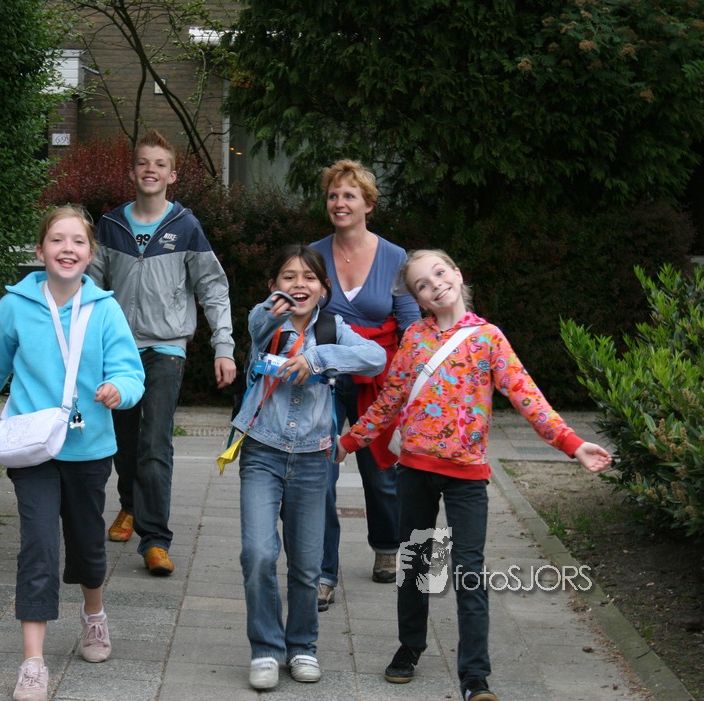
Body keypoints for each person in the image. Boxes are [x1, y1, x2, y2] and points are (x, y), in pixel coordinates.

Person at [336, 249, 612, 701]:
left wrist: (571, 443)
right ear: (418, 300)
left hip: (467, 475)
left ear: (458, 274)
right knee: (418, 562)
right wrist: (349, 442)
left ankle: (475, 675)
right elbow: (388, 401)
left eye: (439, 273)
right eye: (422, 284)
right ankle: (410, 645)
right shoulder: (414, 338)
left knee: (468, 570)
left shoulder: (488, 338)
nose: (435, 285)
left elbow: (527, 396)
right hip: (416, 471)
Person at [0, 206, 146, 701]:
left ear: (90, 254)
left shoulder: (104, 310)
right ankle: (32, 661)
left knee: (87, 544)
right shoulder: (16, 307)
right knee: (37, 546)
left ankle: (93, 614)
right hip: (32, 447)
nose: (67, 249)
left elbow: (131, 371)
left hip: (89, 448)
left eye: (77, 241)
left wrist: (119, 389)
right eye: (57, 240)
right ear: (40, 251)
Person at [233, 244, 386, 691]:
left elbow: (375, 358)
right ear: (272, 285)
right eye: (288, 276)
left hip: (315, 457)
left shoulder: (334, 329)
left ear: (324, 288)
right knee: (258, 553)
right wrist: (274, 310)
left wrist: (320, 357)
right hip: (262, 451)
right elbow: (258, 324)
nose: (298, 285)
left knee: (306, 565)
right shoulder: (265, 320)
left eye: (309, 278)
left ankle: (302, 646)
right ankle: (265, 649)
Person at [88, 129, 237, 576]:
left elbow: (213, 288)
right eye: (143, 163)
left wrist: (223, 346)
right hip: (117, 350)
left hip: (166, 348)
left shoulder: (186, 227)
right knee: (125, 441)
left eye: (159, 164)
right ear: (132, 171)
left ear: (172, 175)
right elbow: (91, 287)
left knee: (154, 441)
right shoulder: (110, 225)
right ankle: (131, 505)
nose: (150, 170)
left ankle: (154, 539)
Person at [310, 159, 420, 607]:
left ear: (368, 204)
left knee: (382, 472)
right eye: (333, 195)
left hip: (381, 376)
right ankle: (322, 572)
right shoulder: (313, 255)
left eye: (349, 195)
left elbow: (410, 324)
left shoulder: (395, 258)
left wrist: (409, 383)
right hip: (326, 376)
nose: (340, 203)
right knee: (321, 471)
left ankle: (388, 546)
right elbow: (301, 310)